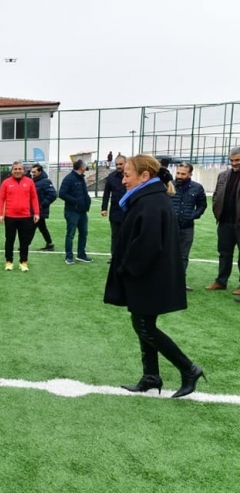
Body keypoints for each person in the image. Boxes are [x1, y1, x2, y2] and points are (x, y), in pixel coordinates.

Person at [104, 154, 204, 399]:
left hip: (149, 277)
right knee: (142, 325)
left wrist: (126, 267)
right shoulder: (149, 198)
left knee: (144, 326)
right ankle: (151, 377)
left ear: (144, 176)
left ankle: (189, 369)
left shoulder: (150, 201)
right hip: (149, 275)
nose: (124, 180)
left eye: (128, 175)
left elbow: (147, 245)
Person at [206, 147, 240, 297]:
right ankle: (221, 281)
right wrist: (216, 212)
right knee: (224, 253)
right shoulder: (223, 175)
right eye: (232, 160)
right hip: (225, 222)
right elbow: (215, 196)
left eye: (237, 160)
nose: (234, 163)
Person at [171, 163, 207, 292]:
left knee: (183, 256)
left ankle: (179, 283)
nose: (179, 176)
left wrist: (193, 215)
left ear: (190, 174)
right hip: (170, 228)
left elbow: (202, 205)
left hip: (187, 228)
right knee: (166, 254)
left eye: (183, 174)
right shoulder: (169, 186)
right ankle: (164, 282)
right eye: (178, 173)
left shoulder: (197, 188)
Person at [0, 161, 40, 271]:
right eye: (15, 169)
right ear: (12, 170)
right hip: (10, 217)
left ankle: (23, 262)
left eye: (19, 169)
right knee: (9, 240)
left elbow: (34, 198)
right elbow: (1, 199)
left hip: (25, 217)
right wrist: (0, 214)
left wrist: (36, 213)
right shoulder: (6, 183)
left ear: (23, 170)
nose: (17, 171)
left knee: (24, 241)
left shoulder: (29, 182)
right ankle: (9, 262)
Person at [59, 159, 93, 264]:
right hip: (72, 211)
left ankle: (81, 255)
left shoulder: (81, 178)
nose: (86, 166)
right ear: (81, 167)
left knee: (84, 233)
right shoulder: (69, 179)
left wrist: (87, 201)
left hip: (82, 211)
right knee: (71, 234)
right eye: (85, 165)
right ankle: (69, 256)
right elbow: (62, 194)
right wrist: (76, 201)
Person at [101, 154, 127, 263]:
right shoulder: (111, 177)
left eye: (121, 164)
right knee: (115, 236)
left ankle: (127, 257)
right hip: (115, 212)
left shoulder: (132, 176)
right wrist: (104, 208)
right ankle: (115, 257)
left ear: (126, 163)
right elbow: (106, 194)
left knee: (128, 236)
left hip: (129, 212)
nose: (118, 166)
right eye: (116, 164)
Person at [30, 163, 56, 251]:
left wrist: (42, 204)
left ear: (40, 171)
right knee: (42, 227)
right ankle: (50, 244)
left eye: (35, 172)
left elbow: (53, 195)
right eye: (32, 172)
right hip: (34, 209)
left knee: (31, 227)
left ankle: (25, 245)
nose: (33, 173)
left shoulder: (45, 181)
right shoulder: (34, 181)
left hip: (40, 210)